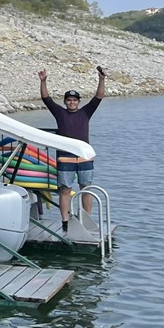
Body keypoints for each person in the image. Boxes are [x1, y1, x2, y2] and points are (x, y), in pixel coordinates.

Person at [40, 66, 106, 232]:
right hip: (65, 159)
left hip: (84, 158)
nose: (72, 102)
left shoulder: (86, 112)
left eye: (75, 100)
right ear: (65, 102)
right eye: (69, 100)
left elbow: (99, 97)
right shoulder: (60, 113)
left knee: (86, 189)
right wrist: (43, 81)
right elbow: (46, 98)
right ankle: (65, 222)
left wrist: (102, 79)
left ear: (78, 102)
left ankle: (86, 220)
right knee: (65, 190)